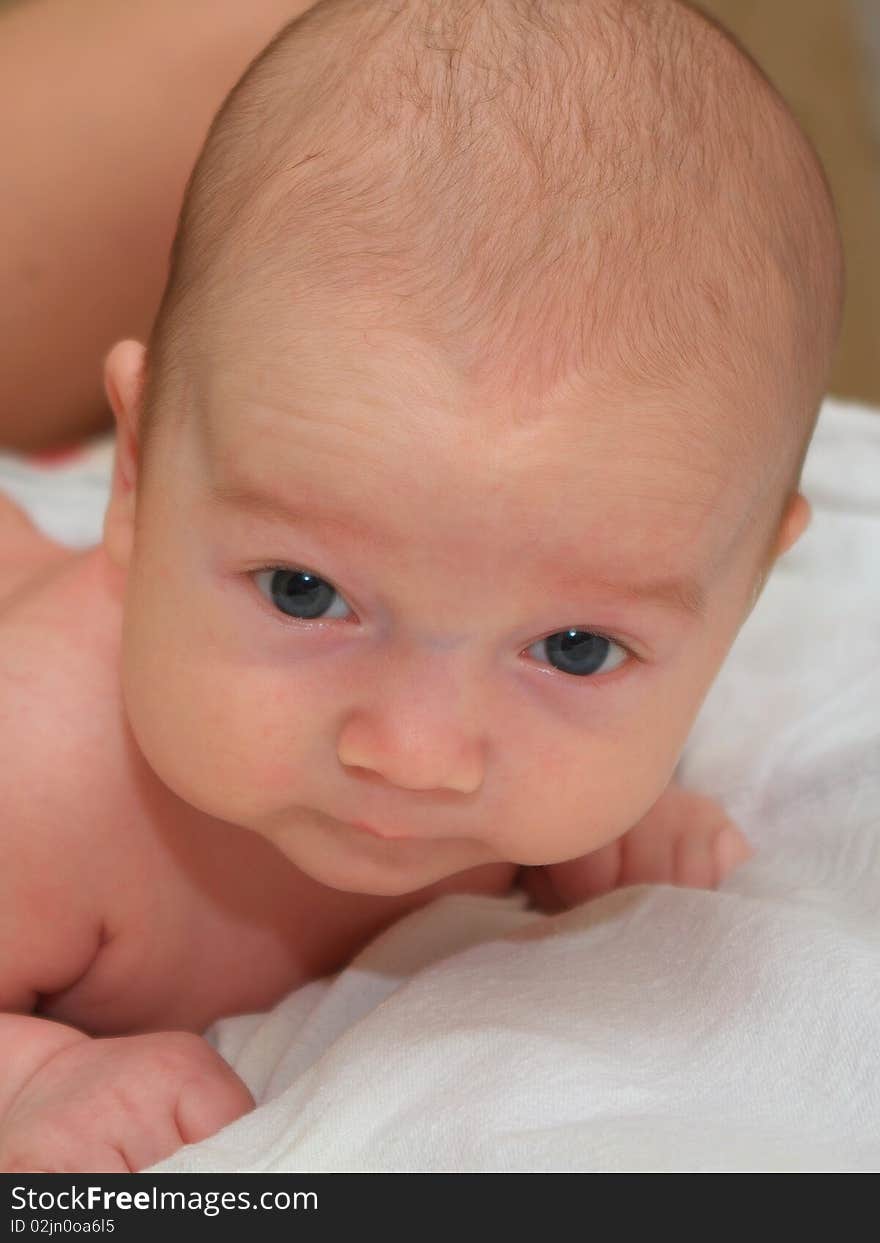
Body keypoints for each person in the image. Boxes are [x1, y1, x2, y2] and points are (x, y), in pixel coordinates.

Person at [0, 0, 842, 1173]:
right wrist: (34, 1074)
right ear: (132, 482)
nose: (415, 753)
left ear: (742, 595)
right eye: (301, 590)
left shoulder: (527, 752)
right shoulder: (39, 785)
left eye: (576, 651)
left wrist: (607, 832)